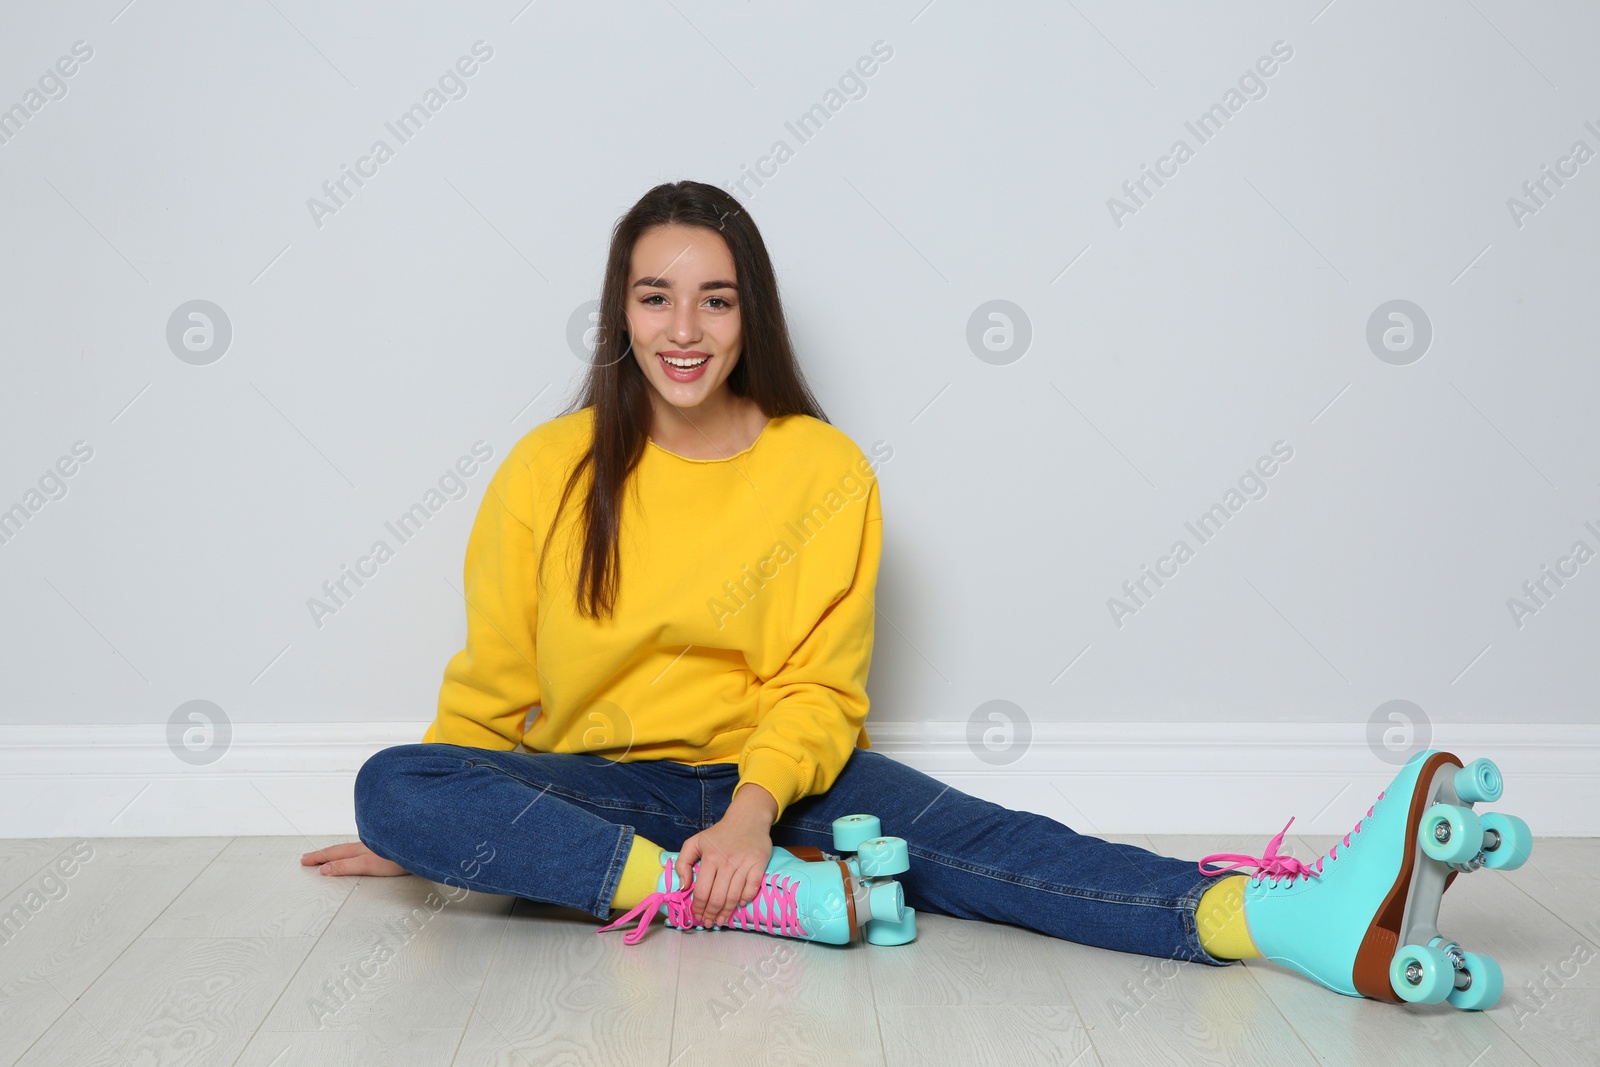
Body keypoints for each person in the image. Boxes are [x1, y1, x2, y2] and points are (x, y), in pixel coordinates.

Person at [301, 180, 1519, 1010]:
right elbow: (494, 685)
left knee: (1007, 857)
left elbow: (818, 685)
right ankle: (736, 896)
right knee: (391, 779)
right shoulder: (547, 467)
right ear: (617, 310)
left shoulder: (819, 470)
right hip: (605, 790)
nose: (684, 328)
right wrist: (429, 824)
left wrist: (749, 813)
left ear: (749, 313)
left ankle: (1289, 924)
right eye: (654, 295)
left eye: (714, 298)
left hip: (783, 778)